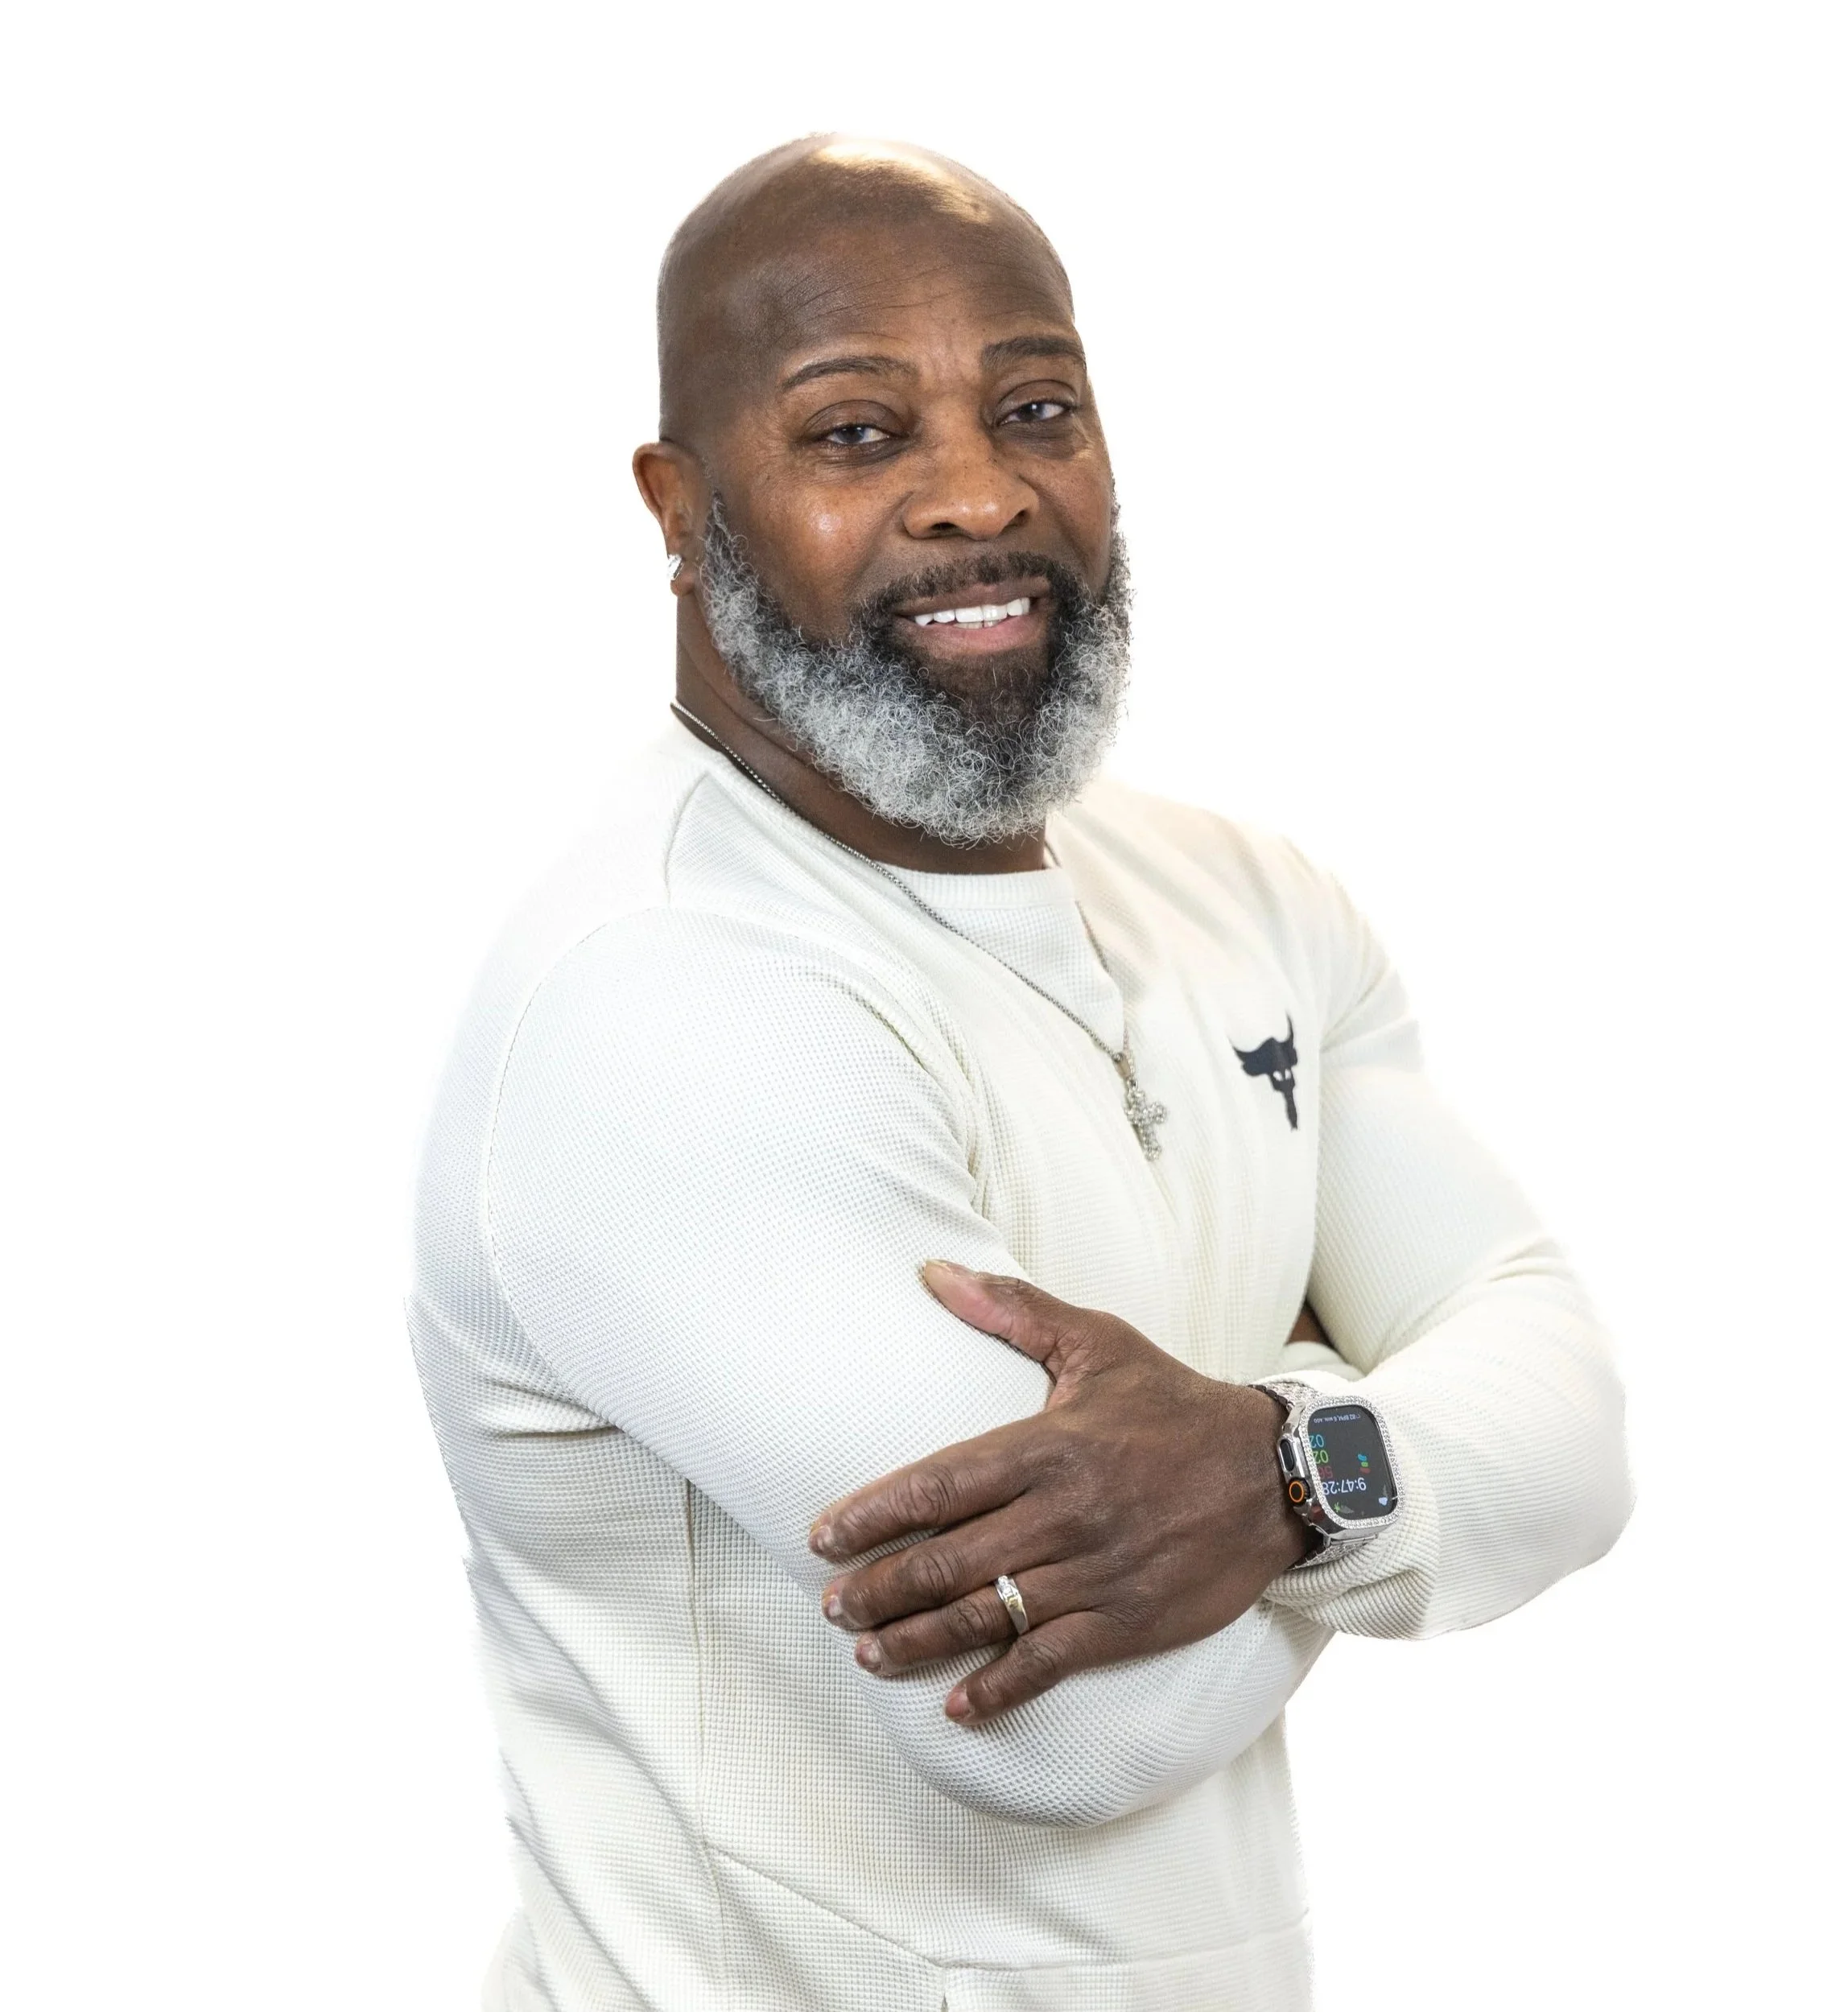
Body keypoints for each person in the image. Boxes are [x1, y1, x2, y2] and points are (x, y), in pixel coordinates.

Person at [407, 134, 1633, 2012]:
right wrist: (1367, 1417)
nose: (975, 495)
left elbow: (1576, 1429)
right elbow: (1068, 1725)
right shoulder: (657, 998)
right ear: (676, 501)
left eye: (1033, 405)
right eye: (852, 433)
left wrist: (1261, 1466)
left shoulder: (1245, 898)